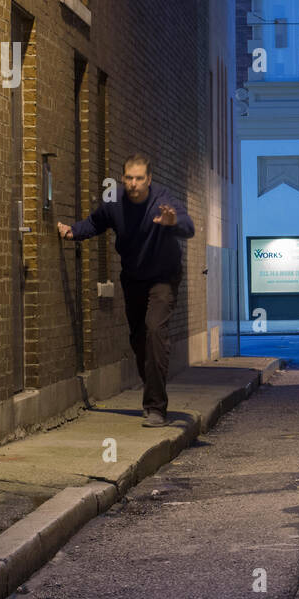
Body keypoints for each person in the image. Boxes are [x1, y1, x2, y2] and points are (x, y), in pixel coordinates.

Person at [56, 153, 195, 427]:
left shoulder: (163, 200)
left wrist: (173, 222)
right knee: (139, 338)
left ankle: (156, 408)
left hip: (163, 278)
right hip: (133, 277)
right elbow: (96, 221)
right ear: (123, 178)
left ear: (149, 179)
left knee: (155, 330)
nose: (134, 184)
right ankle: (152, 386)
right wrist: (73, 231)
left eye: (139, 178)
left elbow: (188, 226)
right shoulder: (114, 201)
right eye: (129, 178)